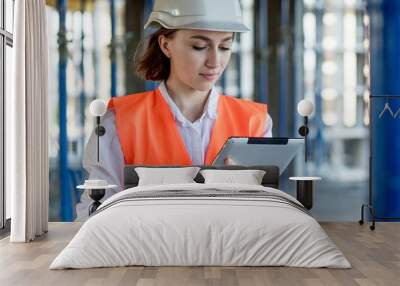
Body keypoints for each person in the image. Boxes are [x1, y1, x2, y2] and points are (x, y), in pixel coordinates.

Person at [76, 0, 273, 219]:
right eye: (199, 46)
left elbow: (267, 212)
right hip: (147, 249)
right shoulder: (119, 121)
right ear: (165, 45)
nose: (215, 61)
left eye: (225, 46)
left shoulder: (255, 121)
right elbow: (95, 211)